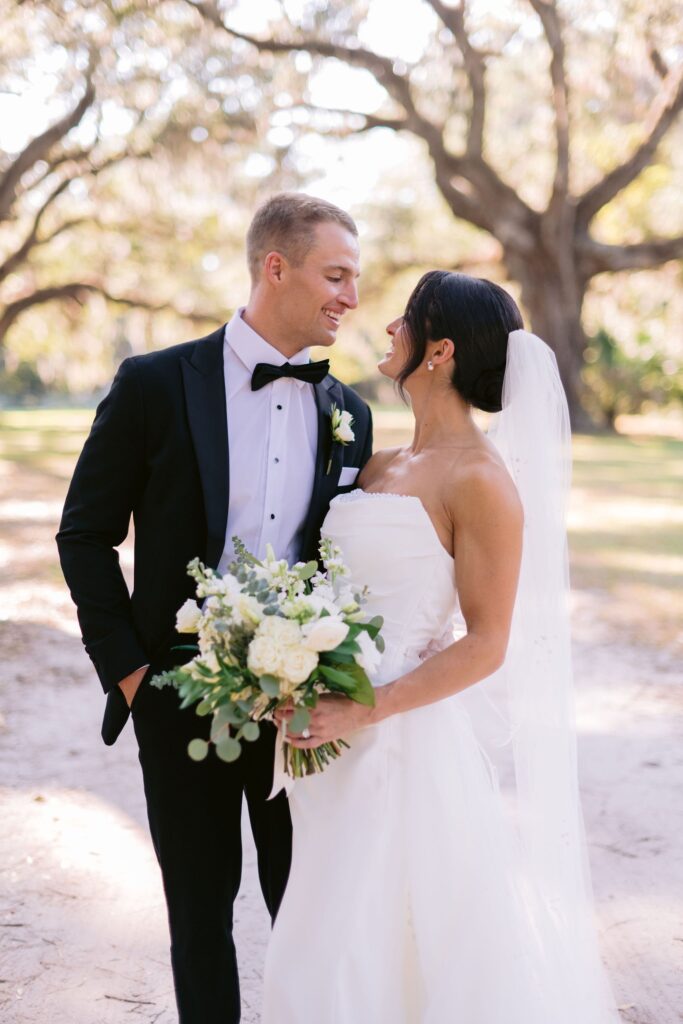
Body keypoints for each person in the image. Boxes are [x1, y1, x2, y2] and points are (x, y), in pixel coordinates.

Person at [265, 271, 619, 1023]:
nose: (388, 326)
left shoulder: (482, 481)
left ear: (440, 350)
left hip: (400, 742)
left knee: (366, 936)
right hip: (323, 732)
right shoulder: (378, 463)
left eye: (406, 319)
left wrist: (365, 708)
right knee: (323, 924)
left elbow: (487, 644)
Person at [56, 192, 373, 1024]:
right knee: (199, 919)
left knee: (305, 914)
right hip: (177, 701)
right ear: (276, 267)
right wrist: (129, 672)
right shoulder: (156, 384)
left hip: (297, 714)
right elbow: (85, 533)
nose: (350, 297)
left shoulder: (349, 414)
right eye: (335, 275)